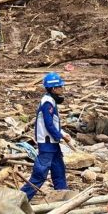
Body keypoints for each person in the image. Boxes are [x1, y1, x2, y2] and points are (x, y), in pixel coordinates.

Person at [21, 72, 71, 200]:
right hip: (47, 144)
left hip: (52, 144)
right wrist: (60, 136)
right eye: (60, 87)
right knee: (39, 175)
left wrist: (62, 133)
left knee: (59, 171)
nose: (62, 89)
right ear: (54, 88)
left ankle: (63, 197)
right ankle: (20, 199)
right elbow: (49, 125)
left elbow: (53, 123)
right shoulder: (47, 102)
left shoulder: (50, 101)